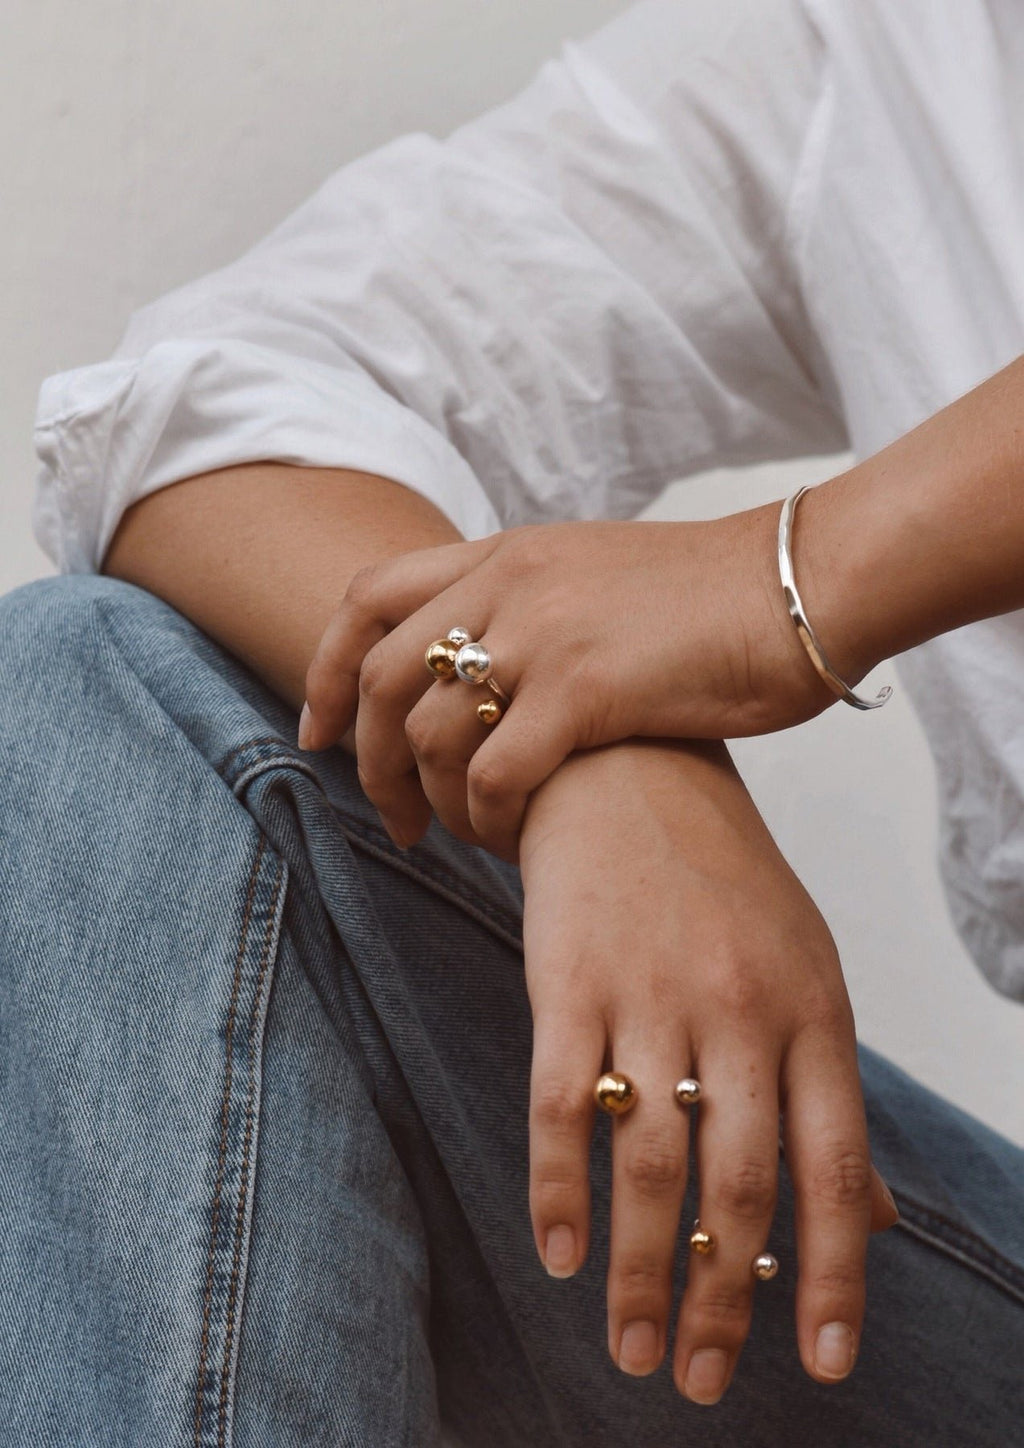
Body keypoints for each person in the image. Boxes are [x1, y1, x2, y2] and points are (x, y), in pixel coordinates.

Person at [3, 0, 1022, 1442]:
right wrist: (592, 754)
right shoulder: (896, 51)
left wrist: (783, 584)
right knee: (99, 691)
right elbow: (218, 394)